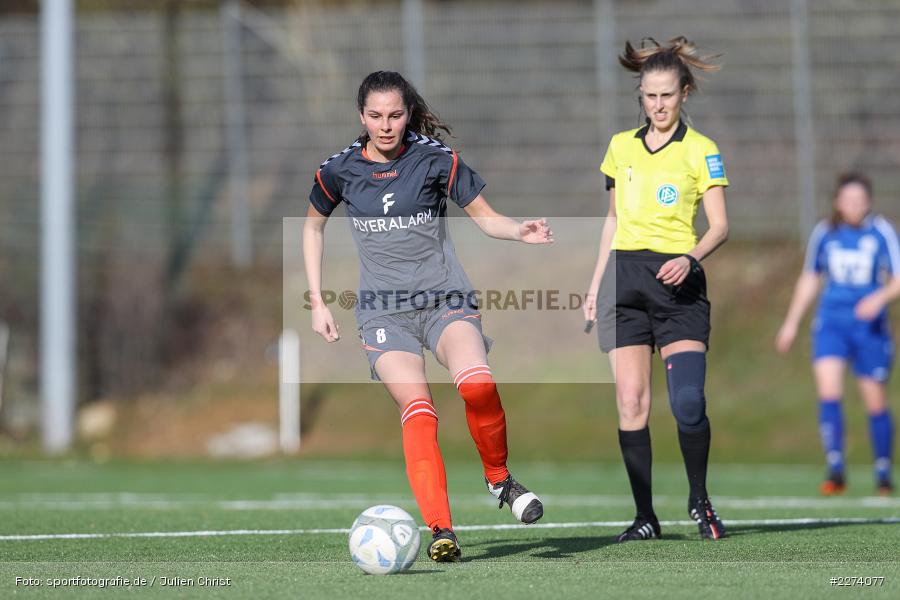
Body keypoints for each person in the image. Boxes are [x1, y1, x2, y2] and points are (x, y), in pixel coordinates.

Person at [304, 71, 552, 562]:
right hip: (384, 315)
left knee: (477, 385)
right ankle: (442, 530)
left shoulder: (436, 159)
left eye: (395, 114)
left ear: (408, 113)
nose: (385, 125)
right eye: (375, 116)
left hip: (445, 301)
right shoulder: (339, 170)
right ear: (361, 116)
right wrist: (317, 300)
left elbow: (486, 217)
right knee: (419, 411)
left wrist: (519, 229)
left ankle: (499, 479)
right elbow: (313, 230)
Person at [583, 37, 730, 541]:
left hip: (678, 286)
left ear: (684, 93)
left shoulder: (702, 151)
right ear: (640, 97)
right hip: (625, 284)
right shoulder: (620, 147)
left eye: (667, 95)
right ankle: (645, 517)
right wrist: (594, 282)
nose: (658, 105)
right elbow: (613, 221)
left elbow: (719, 227)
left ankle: (699, 498)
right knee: (630, 403)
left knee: (688, 402)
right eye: (650, 96)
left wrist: (689, 259)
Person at [776, 172, 897, 495]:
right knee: (829, 392)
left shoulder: (882, 232)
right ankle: (836, 469)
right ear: (838, 202)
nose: (854, 205)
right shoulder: (826, 232)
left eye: (860, 200)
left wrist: (878, 298)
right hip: (831, 323)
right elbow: (810, 277)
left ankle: (883, 472)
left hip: (870, 327)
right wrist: (791, 323)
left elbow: (898, 279)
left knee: (875, 401)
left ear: (868, 202)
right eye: (848, 199)